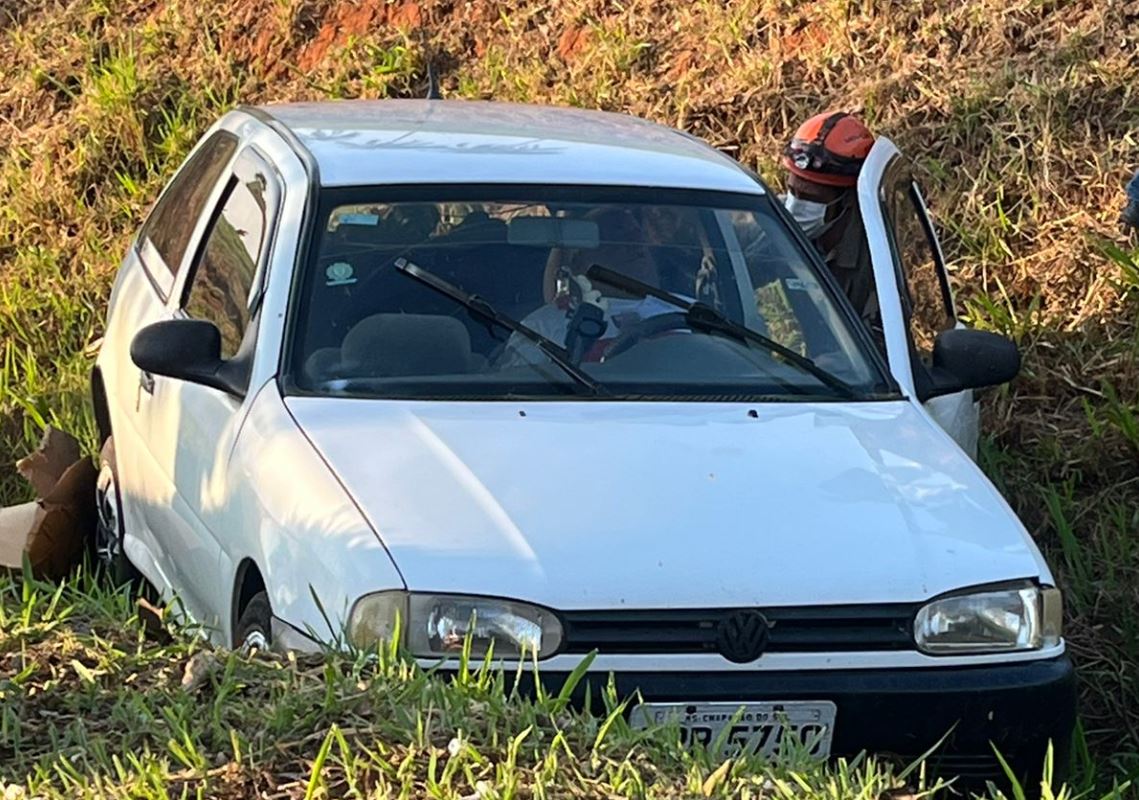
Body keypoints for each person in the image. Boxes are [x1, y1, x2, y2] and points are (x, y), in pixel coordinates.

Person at [781, 111, 878, 326]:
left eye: (809, 198)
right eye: (792, 191)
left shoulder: (875, 261)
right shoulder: (770, 222)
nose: (795, 205)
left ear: (846, 202)